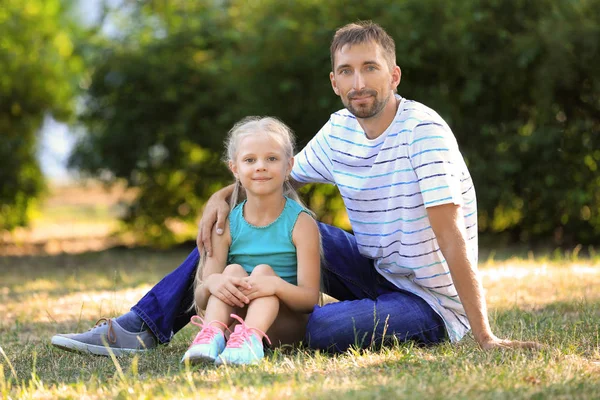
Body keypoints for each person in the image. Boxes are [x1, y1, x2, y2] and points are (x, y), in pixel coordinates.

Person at [52, 21, 539, 356]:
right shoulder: (340, 129)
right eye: (347, 71)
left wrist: (484, 334)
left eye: (370, 67)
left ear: (394, 74)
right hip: (372, 268)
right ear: (334, 82)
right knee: (247, 223)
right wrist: (220, 198)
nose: (359, 81)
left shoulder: (424, 134)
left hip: (429, 300)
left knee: (325, 327)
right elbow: (270, 178)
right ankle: (143, 326)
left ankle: (250, 319)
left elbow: (451, 236)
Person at [181, 116, 320, 365]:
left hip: (282, 327)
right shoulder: (226, 224)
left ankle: (250, 340)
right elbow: (201, 298)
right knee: (232, 271)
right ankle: (211, 337)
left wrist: (273, 286)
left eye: (272, 159)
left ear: (289, 166)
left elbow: (309, 300)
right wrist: (215, 282)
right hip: (231, 325)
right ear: (234, 169)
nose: (260, 166)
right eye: (249, 160)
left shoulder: (301, 223)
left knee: (264, 272)